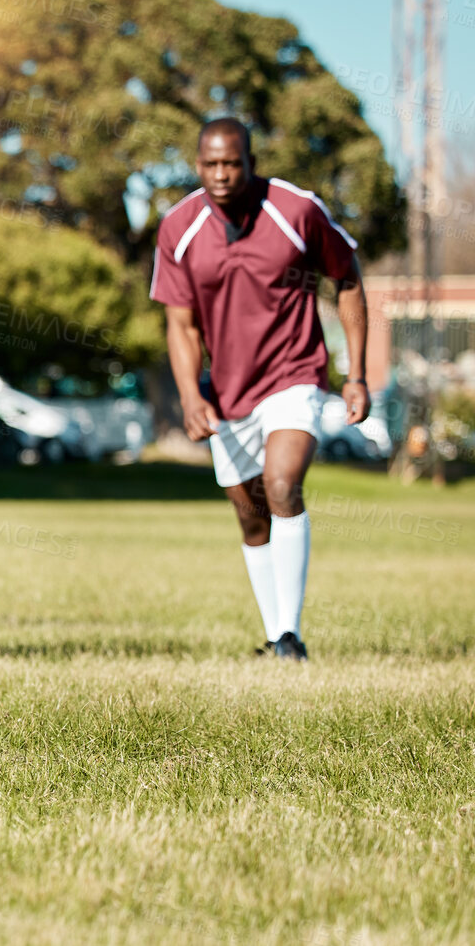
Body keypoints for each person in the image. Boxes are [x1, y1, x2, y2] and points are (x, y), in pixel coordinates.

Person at [151, 118, 368, 661]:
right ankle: (274, 635)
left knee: (281, 483)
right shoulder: (179, 227)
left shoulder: (296, 209)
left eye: (232, 163)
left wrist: (356, 373)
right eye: (210, 164)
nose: (222, 175)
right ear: (197, 164)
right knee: (250, 516)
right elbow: (181, 325)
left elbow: (347, 275)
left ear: (251, 161)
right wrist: (190, 395)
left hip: (295, 374)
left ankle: (290, 637)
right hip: (227, 393)